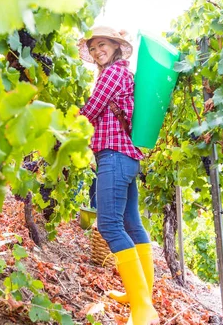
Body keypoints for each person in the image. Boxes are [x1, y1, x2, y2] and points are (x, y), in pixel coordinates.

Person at [78, 26, 159, 325]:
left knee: (110, 224)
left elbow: (90, 111)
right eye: (93, 47)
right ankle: (142, 296)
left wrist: (63, 122)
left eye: (102, 45)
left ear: (114, 46)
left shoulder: (113, 74)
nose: (98, 51)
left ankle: (142, 307)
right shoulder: (119, 73)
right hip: (124, 156)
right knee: (131, 223)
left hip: (114, 154)